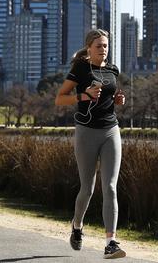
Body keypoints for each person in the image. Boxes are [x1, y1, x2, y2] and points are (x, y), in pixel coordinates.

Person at [55, 29, 126, 259]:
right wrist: (83, 96)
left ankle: (110, 243)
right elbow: (60, 99)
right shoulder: (80, 69)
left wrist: (117, 100)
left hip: (110, 130)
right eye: (99, 46)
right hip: (86, 132)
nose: (103, 49)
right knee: (88, 188)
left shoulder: (113, 70)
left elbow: (110, 97)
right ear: (89, 48)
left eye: (106, 45)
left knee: (111, 188)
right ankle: (77, 226)